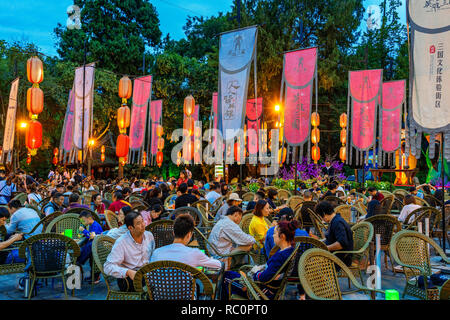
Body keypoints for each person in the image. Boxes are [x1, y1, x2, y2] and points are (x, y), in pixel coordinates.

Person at [223, 220, 299, 300]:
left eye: (275, 233)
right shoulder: (290, 251)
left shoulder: (280, 257)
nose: (273, 236)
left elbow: (264, 277)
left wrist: (255, 272)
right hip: (269, 289)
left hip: (261, 291)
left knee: (226, 276)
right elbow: (273, 272)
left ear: (282, 236)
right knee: (230, 274)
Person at [104, 211, 155, 292]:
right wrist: (128, 272)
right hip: (128, 279)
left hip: (146, 273)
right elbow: (107, 267)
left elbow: (152, 255)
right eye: (138, 223)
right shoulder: (121, 242)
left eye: (142, 221)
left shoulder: (149, 235)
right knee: (154, 287)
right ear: (130, 228)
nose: (143, 224)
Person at [150, 214, 222, 269]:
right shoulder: (195, 254)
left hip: (160, 288)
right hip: (186, 288)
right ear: (189, 235)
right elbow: (218, 265)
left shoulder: (156, 253)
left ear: (173, 233)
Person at [315, 201, 353, 267]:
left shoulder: (338, 223)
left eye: (320, 216)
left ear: (324, 214)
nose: (321, 219)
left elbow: (341, 244)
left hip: (340, 258)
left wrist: (325, 248)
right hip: (334, 255)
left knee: (310, 259)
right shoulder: (335, 220)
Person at [77, 210, 103, 283]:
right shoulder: (92, 225)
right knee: (89, 256)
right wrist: (84, 234)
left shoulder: (95, 225)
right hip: (93, 245)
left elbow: (92, 236)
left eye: (83, 220)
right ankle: (93, 276)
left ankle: (80, 261)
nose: (82, 222)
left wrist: (84, 231)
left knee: (86, 249)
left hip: (97, 246)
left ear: (88, 218)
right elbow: (90, 235)